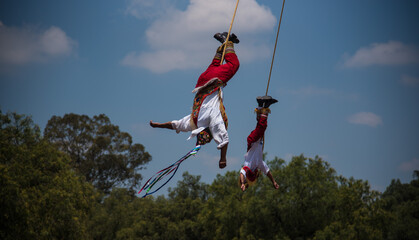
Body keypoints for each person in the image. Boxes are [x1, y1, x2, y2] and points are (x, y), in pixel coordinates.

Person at [150, 32, 240, 169]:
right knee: (215, 63)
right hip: (202, 81)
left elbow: (224, 140)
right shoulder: (194, 123)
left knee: (234, 65)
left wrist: (223, 159)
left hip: (212, 81)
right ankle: (223, 42)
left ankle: (228, 42)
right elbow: (175, 125)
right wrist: (158, 125)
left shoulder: (213, 122)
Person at [239, 96, 279, 191]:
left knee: (262, 126)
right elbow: (268, 172)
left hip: (252, 141)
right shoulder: (260, 164)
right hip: (256, 140)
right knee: (260, 125)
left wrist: (243, 183)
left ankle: (265, 105)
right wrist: (273, 182)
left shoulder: (248, 166)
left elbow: (242, 173)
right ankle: (261, 104)